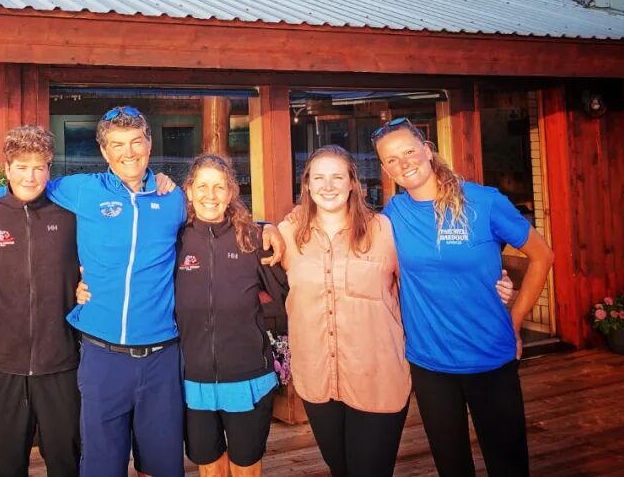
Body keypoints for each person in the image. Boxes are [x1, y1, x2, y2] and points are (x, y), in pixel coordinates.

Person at [0, 107, 286, 477]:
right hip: (102, 355)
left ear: (149, 144)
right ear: (104, 151)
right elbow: (23, 186)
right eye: (117, 144)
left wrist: (264, 226)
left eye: (136, 142)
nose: (128, 152)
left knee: (160, 465)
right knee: (102, 465)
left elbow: (216, 212)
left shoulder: (173, 199)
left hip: (161, 356)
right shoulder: (82, 189)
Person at [371, 118, 555, 477]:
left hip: (489, 357)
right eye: (391, 159)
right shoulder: (392, 216)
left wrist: (515, 320)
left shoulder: (484, 202)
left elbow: (542, 256)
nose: (404, 164)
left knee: (508, 465)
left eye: (409, 152)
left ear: (428, 150)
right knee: (451, 466)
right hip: (429, 363)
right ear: (385, 169)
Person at [82, 154, 286, 477]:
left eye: (219, 187)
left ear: (231, 193)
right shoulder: (173, 240)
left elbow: (287, 291)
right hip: (193, 379)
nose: (210, 195)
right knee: (209, 466)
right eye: (202, 186)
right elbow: (130, 265)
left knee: (245, 467)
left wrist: (269, 226)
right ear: (188, 191)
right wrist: (81, 282)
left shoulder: (252, 239)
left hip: (247, 376)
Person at [277, 146, 411, 477]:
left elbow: (423, 283)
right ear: (307, 184)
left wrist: (495, 283)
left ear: (353, 183)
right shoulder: (287, 235)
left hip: (378, 377)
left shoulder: (384, 230)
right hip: (318, 379)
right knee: (340, 469)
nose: (328, 186)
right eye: (318, 178)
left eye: (337, 177)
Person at [0, 125, 82, 477]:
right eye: (21, 167)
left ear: (49, 168)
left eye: (38, 167)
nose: (30, 176)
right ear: (6, 168)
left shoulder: (71, 216)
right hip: (4, 365)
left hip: (61, 364)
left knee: (67, 465)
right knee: (3, 466)